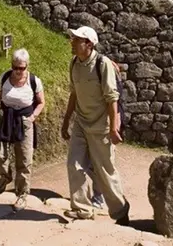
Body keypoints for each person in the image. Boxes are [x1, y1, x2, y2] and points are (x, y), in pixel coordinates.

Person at [61, 26, 130, 224]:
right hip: (81, 123)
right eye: (73, 39)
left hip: (102, 126)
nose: (72, 42)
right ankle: (82, 209)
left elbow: (112, 99)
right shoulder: (74, 63)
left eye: (76, 40)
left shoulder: (103, 64)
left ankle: (120, 211)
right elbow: (74, 94)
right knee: (74, 164)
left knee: (105, 171)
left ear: (89, 44)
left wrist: (114, 128)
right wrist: (66, 120)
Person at [0, 48, 44, 212]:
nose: (18, 71)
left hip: (24, 121)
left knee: (24, 159)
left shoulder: (34, 81)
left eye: (21, 68)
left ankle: (22, 195)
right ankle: (5, 175)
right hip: (5, 118)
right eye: (15, 67)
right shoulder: (4, 78)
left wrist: (33, 117)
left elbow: (41, 102)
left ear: (27, 66)